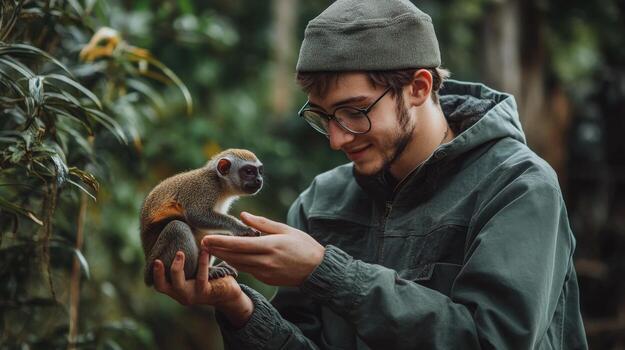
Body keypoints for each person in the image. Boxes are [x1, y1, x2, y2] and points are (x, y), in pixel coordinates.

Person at [151, 0, 588, 348]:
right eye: (323, 117)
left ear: (418, 87)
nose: (337, 141)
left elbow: (495, 341)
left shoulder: (518, 187)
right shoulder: (321, 202)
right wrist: (239, 307)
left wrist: (327, 272)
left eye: (353, 112)